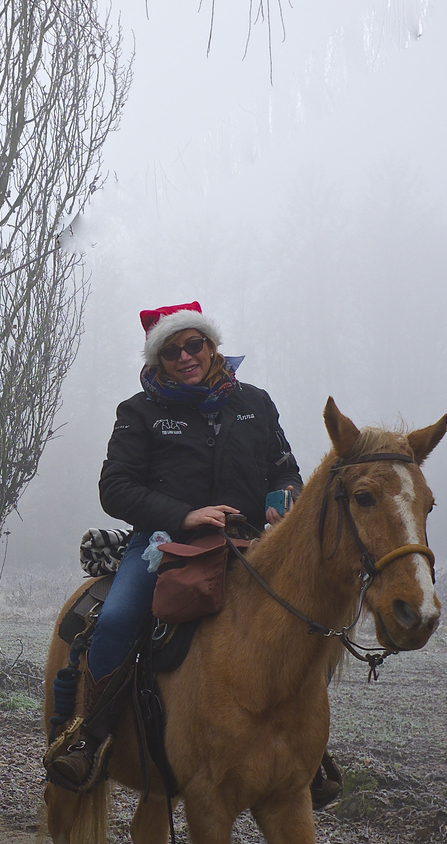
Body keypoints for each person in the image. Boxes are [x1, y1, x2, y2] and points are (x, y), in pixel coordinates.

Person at [44, 302, 305, 794]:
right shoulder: (139, 412)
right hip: (164, 545)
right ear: (157, 360)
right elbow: (115, 487)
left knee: (298, 621)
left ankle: (304, 747)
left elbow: (284, 466)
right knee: (118, 620)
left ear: (212, 346)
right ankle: (90, 738)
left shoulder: (256, 403)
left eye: (195, 344)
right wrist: (183, 515)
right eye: (172, 350)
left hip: (248, 543)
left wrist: (284, 495)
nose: (186, 356)